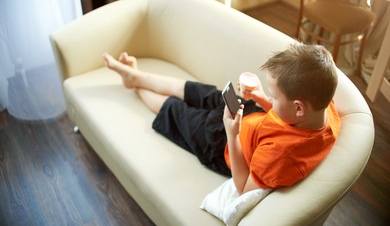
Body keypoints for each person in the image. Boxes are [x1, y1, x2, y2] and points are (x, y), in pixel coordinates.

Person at [102, 42, 341, 195]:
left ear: (299, 108)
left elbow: (243, 187)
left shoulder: (283, 156)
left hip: (220, 144)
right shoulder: (325, 109)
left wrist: (232, 134)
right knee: (195, 90)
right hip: (247, 114)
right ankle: (136, 76)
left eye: (274, 96)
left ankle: (133, 86)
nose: (271, 98)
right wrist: (261, 97)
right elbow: (286, 117)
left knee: (174, 110)